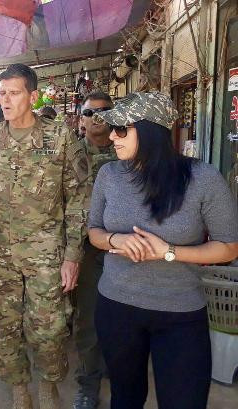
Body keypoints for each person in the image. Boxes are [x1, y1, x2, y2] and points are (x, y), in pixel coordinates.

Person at [88, 92, 238, 409]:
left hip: (180, 313)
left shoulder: (203, 178)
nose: (112, 136)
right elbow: (94, 232)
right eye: (113, 128)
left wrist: (169, 251)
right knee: (125, 398)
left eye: (121, 129)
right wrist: (116, 240)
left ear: (150, 131)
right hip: (117, 306)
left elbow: (228, 248)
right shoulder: (109, 175)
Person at [0, 63, 89, 409]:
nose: (5, 100)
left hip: (46, 252)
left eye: (14, 93)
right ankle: (19, 388)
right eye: (2, 93)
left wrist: (73, 255)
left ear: (33, 97)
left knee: (49, 327)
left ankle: (48, 384)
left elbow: (79, 198)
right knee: (5, 324)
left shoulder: (60, 137)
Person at [72, 91, 117, 409]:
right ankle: (88, 383)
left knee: (123, 315)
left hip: (124, 246)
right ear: (81, 119)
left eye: (103, 111)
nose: (96, 117)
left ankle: (116, 365)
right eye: (89, 112)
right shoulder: (71, 155)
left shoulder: (129, 151)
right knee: (87, 317)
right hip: (85, 248)